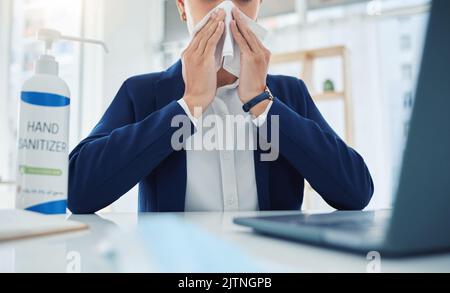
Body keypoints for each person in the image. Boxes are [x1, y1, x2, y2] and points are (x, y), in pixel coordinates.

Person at [68, 0, 374, 214]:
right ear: (182, 8)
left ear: (259, 7)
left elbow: (356, 191)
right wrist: (188, 106)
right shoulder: (143, 93)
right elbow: (78, 191)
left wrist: (262, 104)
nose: (227, 13)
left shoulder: (289, 94)